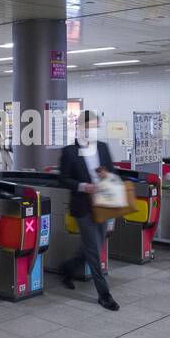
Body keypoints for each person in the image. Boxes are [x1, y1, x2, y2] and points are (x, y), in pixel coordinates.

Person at [57, 110, 119, 311]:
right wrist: (84, 186)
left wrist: (106, 176)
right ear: (80, 127)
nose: (93, 130)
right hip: (82, 205)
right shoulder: (68, 151)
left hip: (102, 204)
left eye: (95, 126)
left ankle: (67, 268)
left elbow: (113, 173)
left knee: (96, 246)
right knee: (93, 249)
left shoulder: (102, 147)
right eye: (90, 126)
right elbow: (63, 179)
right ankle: (104, 294)